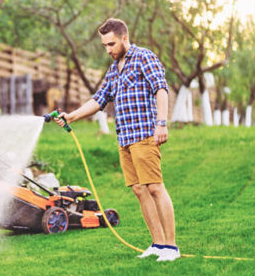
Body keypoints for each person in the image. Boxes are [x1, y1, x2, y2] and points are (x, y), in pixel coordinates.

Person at [55, 18, 179, 261]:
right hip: (125, 139)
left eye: (111, 44)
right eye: (104, 45)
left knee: (154, 187)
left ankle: (171, 247)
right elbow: (99, 100)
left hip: (145, 134)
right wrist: (72, 116)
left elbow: (161, 89)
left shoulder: (144, 57)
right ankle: (157, 244)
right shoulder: (113, 70)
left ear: (124, 38)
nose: (108, 49)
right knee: (139, 191)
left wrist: (162, 123)